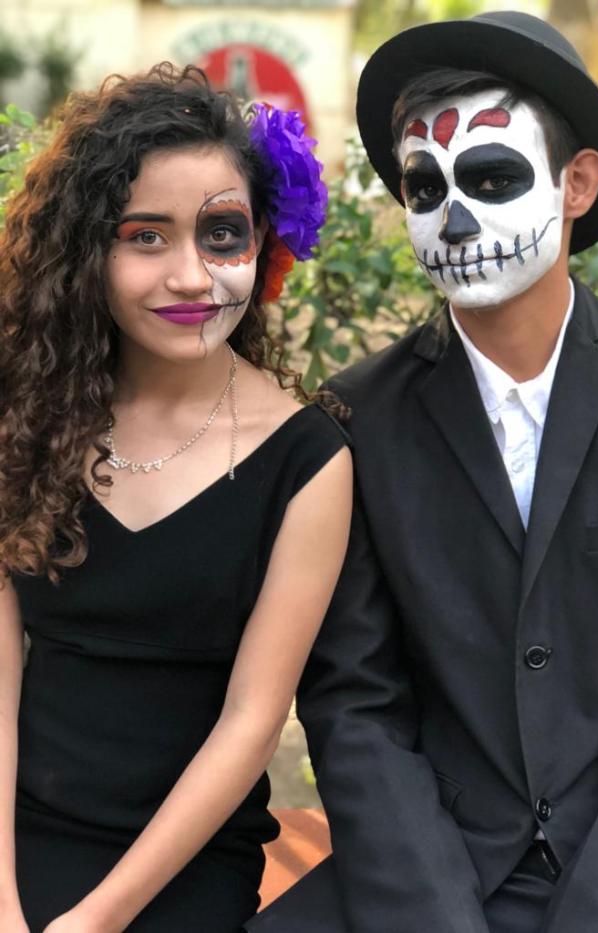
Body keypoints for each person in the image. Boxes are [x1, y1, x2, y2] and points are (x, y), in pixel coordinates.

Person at [247, 10, 598, 933]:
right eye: (425, 186)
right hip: (431, 875)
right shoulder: (353, 419)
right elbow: (356, 705)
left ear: (577, 184)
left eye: (494, 177)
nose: (453, 218)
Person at [0, 64, 351, 932]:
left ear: (262, 242)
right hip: (16, 834)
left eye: (220, 234)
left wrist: (93, 921)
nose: (192, 276)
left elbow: (252, 722)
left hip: (180, 865)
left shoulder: (309, 461)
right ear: (86, 252)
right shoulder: (28, 415)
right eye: (145, 237)